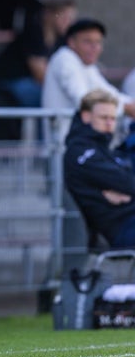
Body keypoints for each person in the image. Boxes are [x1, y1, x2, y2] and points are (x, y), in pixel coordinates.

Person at [0, 0, 76, 140]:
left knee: (53, 97)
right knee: (48, 98)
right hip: (4, 85)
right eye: (63, 16)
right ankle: (47, 150)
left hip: (25, 85)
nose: (68, 21)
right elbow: (41, 75)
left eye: (71, 17)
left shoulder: (61, 40)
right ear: (47, 15)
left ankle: (49, 148)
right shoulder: (33, 32)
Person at [42, 18, 135, 142]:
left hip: (82, 143)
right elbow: (84, 100)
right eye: (87, 41)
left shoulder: (86, 65)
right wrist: (125, 107)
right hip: (66, 147)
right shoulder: (64, 59)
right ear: (72, 42)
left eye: (98, 42)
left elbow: (108, 92)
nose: (94, 47)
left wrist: (129, 104)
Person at [64, 89, 135, 248]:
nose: (110, 123)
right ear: (86, 116)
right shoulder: (82, 153)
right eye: (104, 118)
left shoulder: (103, 149)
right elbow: (129, 183)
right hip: (119, 229)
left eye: (113, 118)